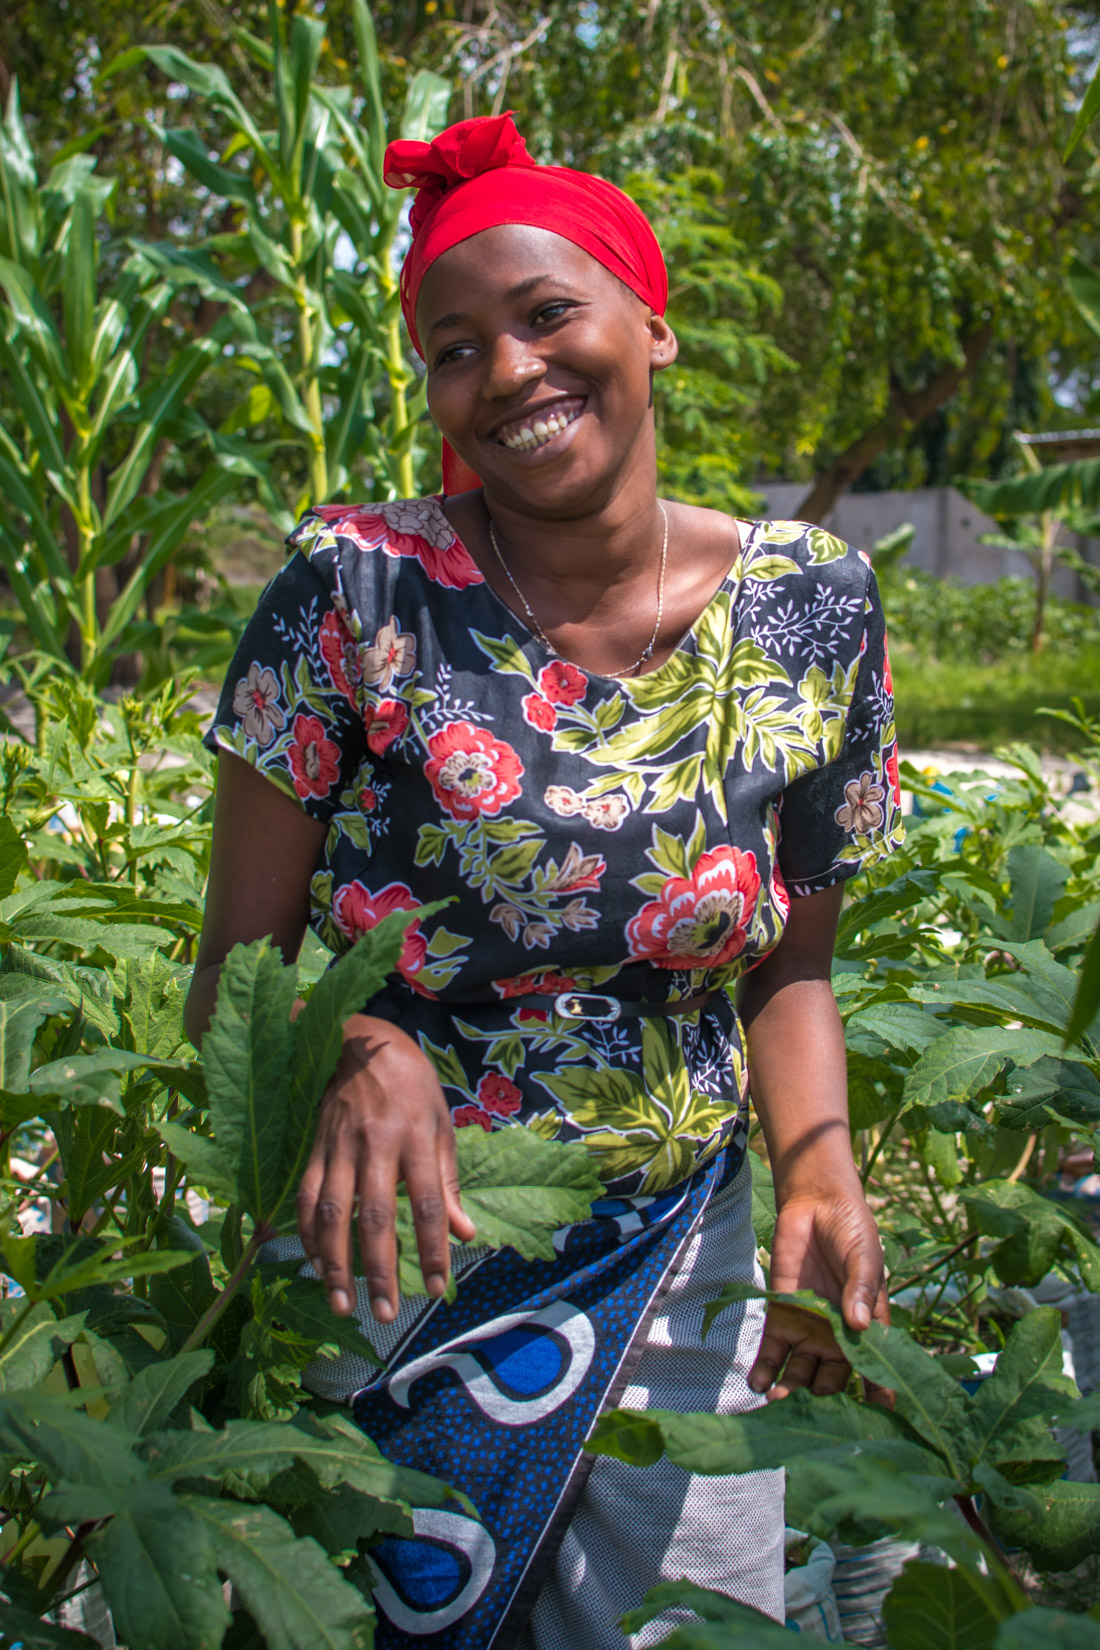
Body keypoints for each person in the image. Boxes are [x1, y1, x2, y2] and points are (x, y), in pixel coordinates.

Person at [184, 112, 905, 1650]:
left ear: (653, 323)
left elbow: (793, 965)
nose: (506, 370)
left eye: (545, 314)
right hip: (394, 1240)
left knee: (686, 1626)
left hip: (677, 1257)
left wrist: (821, 1171)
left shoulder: (812, 608)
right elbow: (231, 975)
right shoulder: (352, 593)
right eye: (456, 348)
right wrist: (354, 1041)